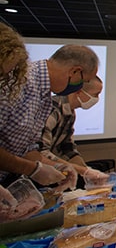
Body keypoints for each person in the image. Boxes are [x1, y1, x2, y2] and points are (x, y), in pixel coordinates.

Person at [0, 35, 90, 190]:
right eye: (85, 81)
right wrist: (33, 170)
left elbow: (28, 148)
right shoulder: (18, 82)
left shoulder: (45, 96)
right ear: (75, 71)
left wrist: (58, 168)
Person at [38, 76, 109, 187]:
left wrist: (87, 171)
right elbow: (40, 152)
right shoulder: (52, 109)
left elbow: (68, 149)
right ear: (79, 92)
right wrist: (81, 170)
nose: (97, 99)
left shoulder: (70, 112)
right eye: (95, 94)